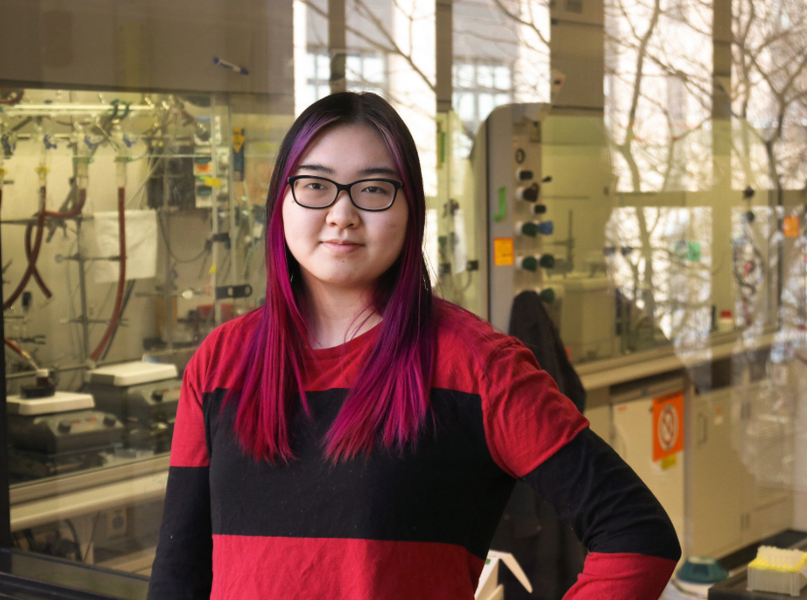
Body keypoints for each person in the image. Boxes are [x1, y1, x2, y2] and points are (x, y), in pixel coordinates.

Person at [147, 92, 681, 600]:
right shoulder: (221, 363)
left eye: (375, 189)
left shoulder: (477, 366)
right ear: (280, 202)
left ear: (411, 212)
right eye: (315, 185)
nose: (342, 214)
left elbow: (635, 533)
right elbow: (179, 576)